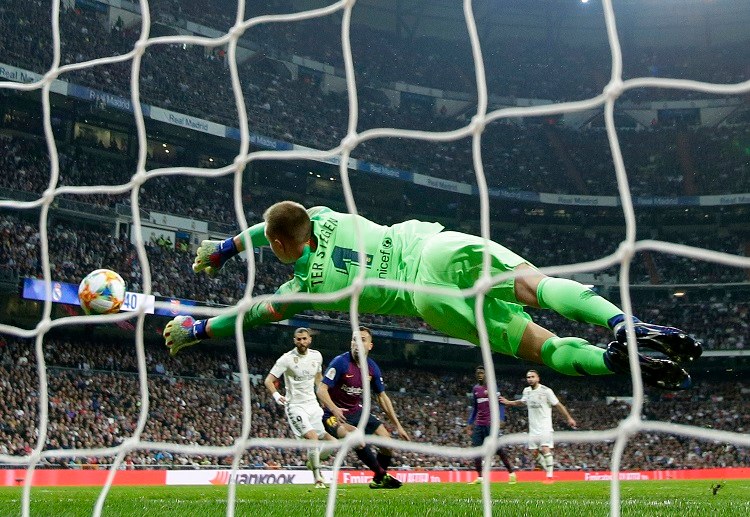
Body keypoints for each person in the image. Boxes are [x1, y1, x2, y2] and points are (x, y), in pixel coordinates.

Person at [163, 202, 702, 390]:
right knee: (535, 285)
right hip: (434, 247)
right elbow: (275, 224)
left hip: (428, 300)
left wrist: (199, 328)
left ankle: (615, 364)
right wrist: (228, 248)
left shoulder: (308, 289)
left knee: (542, 349)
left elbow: (253, 314)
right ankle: (621, 324)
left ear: (281, 244)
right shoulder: (323, 217)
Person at [316, 327, 408, 489]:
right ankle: (382, 475)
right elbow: (321, 389)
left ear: (370, 345)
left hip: (357, 412)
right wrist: (334, 408)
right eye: (354, 339)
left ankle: (378, 480)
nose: (357, 343)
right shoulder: (340, 362)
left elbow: (382, 397)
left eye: (362, 340)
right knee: (356, 440)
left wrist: (398, 425)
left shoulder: (372, 368)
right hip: (333, 415)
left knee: (387, 443)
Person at [264, 327, 336, 488]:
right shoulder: (286, 359)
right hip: (295, 406)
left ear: (309, 340)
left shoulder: (317, 356)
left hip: (313, 405)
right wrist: (276, 396)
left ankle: (312, 462)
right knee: (312, 438)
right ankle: (317, 477)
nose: (302, 342)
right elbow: (268, 380)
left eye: (304, 339)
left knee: (333, 442)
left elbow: (318, 379)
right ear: (294, 340)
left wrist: (324, 399)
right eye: (298, 339)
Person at [499, 370, 577, 483]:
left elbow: (558, 405)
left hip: (545, 426)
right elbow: (522, 402)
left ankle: (549, 477)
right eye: (528, 377)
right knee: (535, 453)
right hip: (533, 428)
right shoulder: (526, 391)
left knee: (545, 449)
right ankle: (549, 473)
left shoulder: (546, 391)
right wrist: (508, 402)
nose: (530, 379)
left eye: (532, 377)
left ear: (538, 378)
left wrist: (569, 418)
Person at [466, 365, 517, 485]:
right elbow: (475, 407)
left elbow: (501, 403)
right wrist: (469, 423)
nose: (479, 375)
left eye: (481, 373)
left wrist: (501, 418)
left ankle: (511, 473)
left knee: (498, 450)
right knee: (476, 450)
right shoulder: (475, 389)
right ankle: (479, 477)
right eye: (477, 373)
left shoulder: (492, 387)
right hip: (479, 423)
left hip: (490, 424)